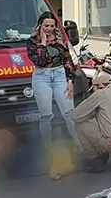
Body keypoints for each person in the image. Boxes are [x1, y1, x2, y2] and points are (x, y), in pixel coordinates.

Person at [26, 12, 77, 146]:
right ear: (40, 25)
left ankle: (80, 144)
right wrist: (43, 42)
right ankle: (47, 147)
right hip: (42, 76)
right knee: (46, 115)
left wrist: (70, 81)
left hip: (60, 75)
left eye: (52, 26)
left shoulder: (60, 41)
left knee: (70, 113)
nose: (49, 29)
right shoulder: (32, 42)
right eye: (46, 25)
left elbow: (68, 61)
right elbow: (41, 61)